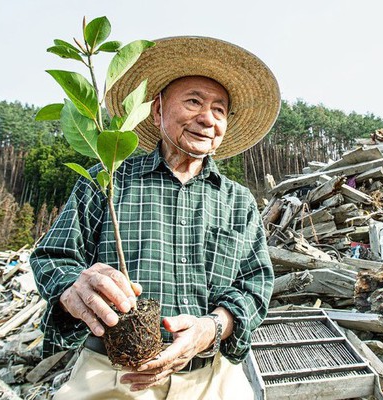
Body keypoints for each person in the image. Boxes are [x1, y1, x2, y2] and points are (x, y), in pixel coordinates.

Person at [30, 36, 280, 399]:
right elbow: (53, 257)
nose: (207, 118)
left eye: (220, 109)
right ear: (158, 110)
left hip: (211, 378)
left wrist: (211, 327)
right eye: (194, 101)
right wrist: (74, 287)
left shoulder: (238, 201)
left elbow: (255, 288)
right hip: (111, 374)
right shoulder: (108, 178)